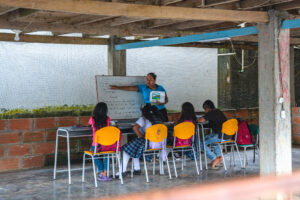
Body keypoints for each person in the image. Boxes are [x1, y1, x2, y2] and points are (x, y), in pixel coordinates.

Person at [117, 103, 165, 177]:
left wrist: (141, 136)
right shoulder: (159, 118)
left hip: (148, 144)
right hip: (160, 145)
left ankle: (122, 172)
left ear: (144, 112)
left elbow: (135, 128)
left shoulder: (144, 118)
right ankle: (137, 169)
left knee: (126, 150)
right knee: (134, 148)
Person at [89, 102, 121, 181]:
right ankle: (105, 172)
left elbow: (90, 125)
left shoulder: (92, 119)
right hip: (106, 144)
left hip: (97, 145)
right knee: (107, 154)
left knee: (92, 152)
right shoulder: (108, 119)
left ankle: (101, 171)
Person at [198, 100, 227, 169]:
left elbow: (201, 120)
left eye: (205, 109)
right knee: (210, 141)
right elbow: (210, 123)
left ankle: (214, 158)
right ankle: (219, 158)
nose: (205, 111)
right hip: (226, 135)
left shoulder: (211, 113)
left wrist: (197, 120)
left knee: (201, 143)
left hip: (219, 135)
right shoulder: (218, 111)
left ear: (207, 108)